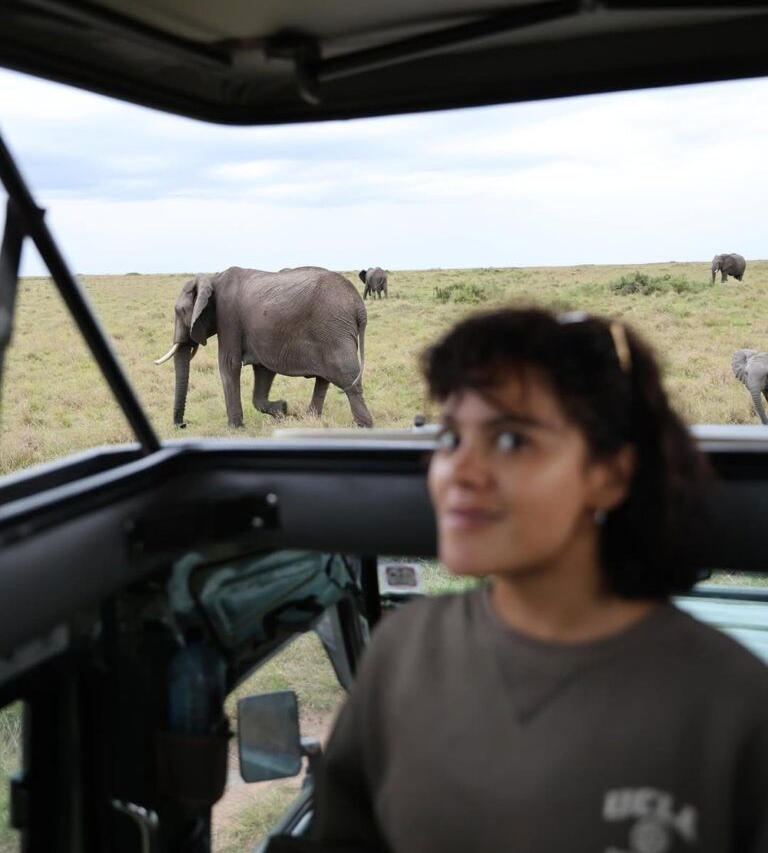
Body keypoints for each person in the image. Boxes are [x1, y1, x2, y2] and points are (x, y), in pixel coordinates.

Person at [280, 308, 768, 852]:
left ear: (610, 474)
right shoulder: (404, 650)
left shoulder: (734, 703)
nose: (459, 472)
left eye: (512, 440)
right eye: (451, 438)